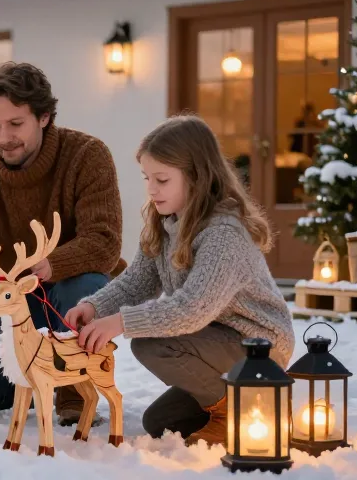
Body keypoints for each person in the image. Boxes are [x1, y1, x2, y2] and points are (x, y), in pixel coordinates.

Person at [69, 114, 295, 447]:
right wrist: (94, 306)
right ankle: (243, 405)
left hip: (259, 345)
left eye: (162, 179)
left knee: (152, 344)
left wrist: (120, 323)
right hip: (214, 338)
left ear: (196, 177)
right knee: (161, 422)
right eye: (147, 177)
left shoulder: (223, 233)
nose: (151, 189)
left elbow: (192, 310)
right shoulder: (165, 222)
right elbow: (137, 282)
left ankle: (242, 409)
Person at [0, 61, 125, 425]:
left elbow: (104, 241)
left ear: (44, 117)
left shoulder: (87, 156)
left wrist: (52, 265)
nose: (4, 137)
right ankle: (37, 380)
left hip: (74, 288)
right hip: (15, 300)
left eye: (15, 124)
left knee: (82, 286)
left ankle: (72, 394)